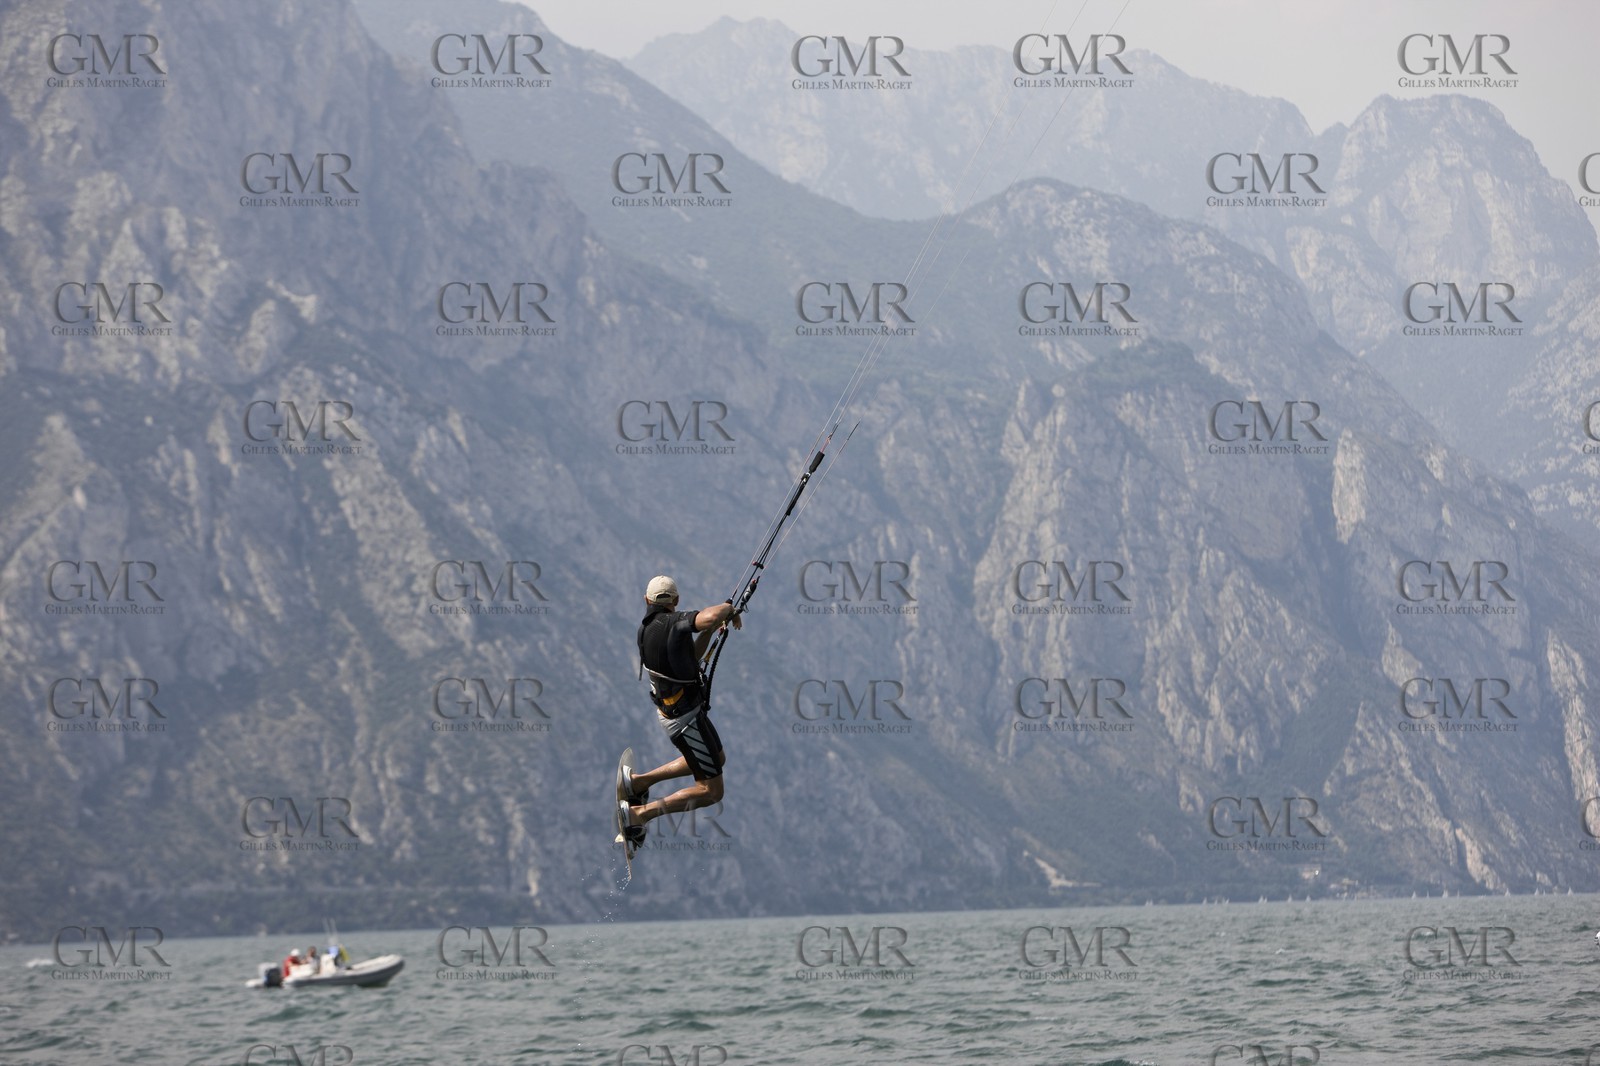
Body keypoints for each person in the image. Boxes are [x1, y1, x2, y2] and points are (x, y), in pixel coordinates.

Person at [621, 575, 741, 846]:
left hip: (680, 713)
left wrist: (711, 631)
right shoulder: (672, 623)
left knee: (717, 759)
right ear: (676, 601)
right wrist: (728, 609)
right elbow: (708, 617)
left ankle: (638, 783)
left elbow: (688, 660)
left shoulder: (649, 628)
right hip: (685, 721)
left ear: (646, 601)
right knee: (711, 792)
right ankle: (639, 814)